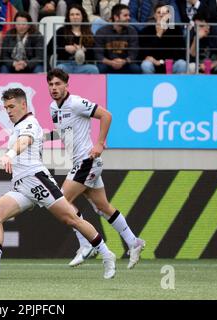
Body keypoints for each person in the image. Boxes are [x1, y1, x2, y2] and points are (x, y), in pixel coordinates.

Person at [0, 88, 116, 279]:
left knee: (71, 219)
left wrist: (9, 155)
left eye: (12, 106)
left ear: (24, 104)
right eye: (5, 108)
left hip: (36, 180)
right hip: (22, 186)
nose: (9, 111)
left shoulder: (29, 123)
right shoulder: (18, 126)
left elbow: (25, 141)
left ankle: (106, 254)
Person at [45, 68, 146, 269]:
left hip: (87, 161)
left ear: (67, 85)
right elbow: (63, 132)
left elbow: (106, 115)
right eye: (51, 84)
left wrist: (99, 143)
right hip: (80, 163)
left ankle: (86, 244)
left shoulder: (76, 103)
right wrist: (40, 139)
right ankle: (134, 242)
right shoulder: (53, 108)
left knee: (62, 201)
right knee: (102, 207)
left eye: (58, 84)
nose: (54, 88)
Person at [51, 4, 99, 74]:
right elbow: (49, 48)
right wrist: (65, 48)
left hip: (83, 65)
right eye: (72, 15)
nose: (75, 17)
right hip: (65, 65)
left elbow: (95, 53)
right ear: (68, 17)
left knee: (94, 69)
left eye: (77, 14)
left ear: (82, 17)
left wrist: (84, 50)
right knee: (60, 68)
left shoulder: (89, 33)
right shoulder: (61, 31)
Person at [139, 3, 187, 74]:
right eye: (158, 13)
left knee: (182, 64)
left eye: (164, 13)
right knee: (146, 65)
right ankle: (150, 85)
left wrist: (162, 62)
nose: (161, 15)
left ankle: (178, 84)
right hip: (154, 65)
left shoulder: (176, 30)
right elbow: (144, 53)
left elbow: (180, 53)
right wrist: (158, 35)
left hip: (171, 65)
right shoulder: (146, 30)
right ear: (154, 15)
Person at [94, 3, 141, 73]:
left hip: (125, 64)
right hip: (107, 64)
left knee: (136, 69)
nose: (129, 18)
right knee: (100, 68)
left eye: (129, 15)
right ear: (116, 17)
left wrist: (124, 61)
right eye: (125, 16)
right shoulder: (102, 31)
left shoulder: (132, 31)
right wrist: (110, 62)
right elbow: (98, 54)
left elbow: (134, 53)